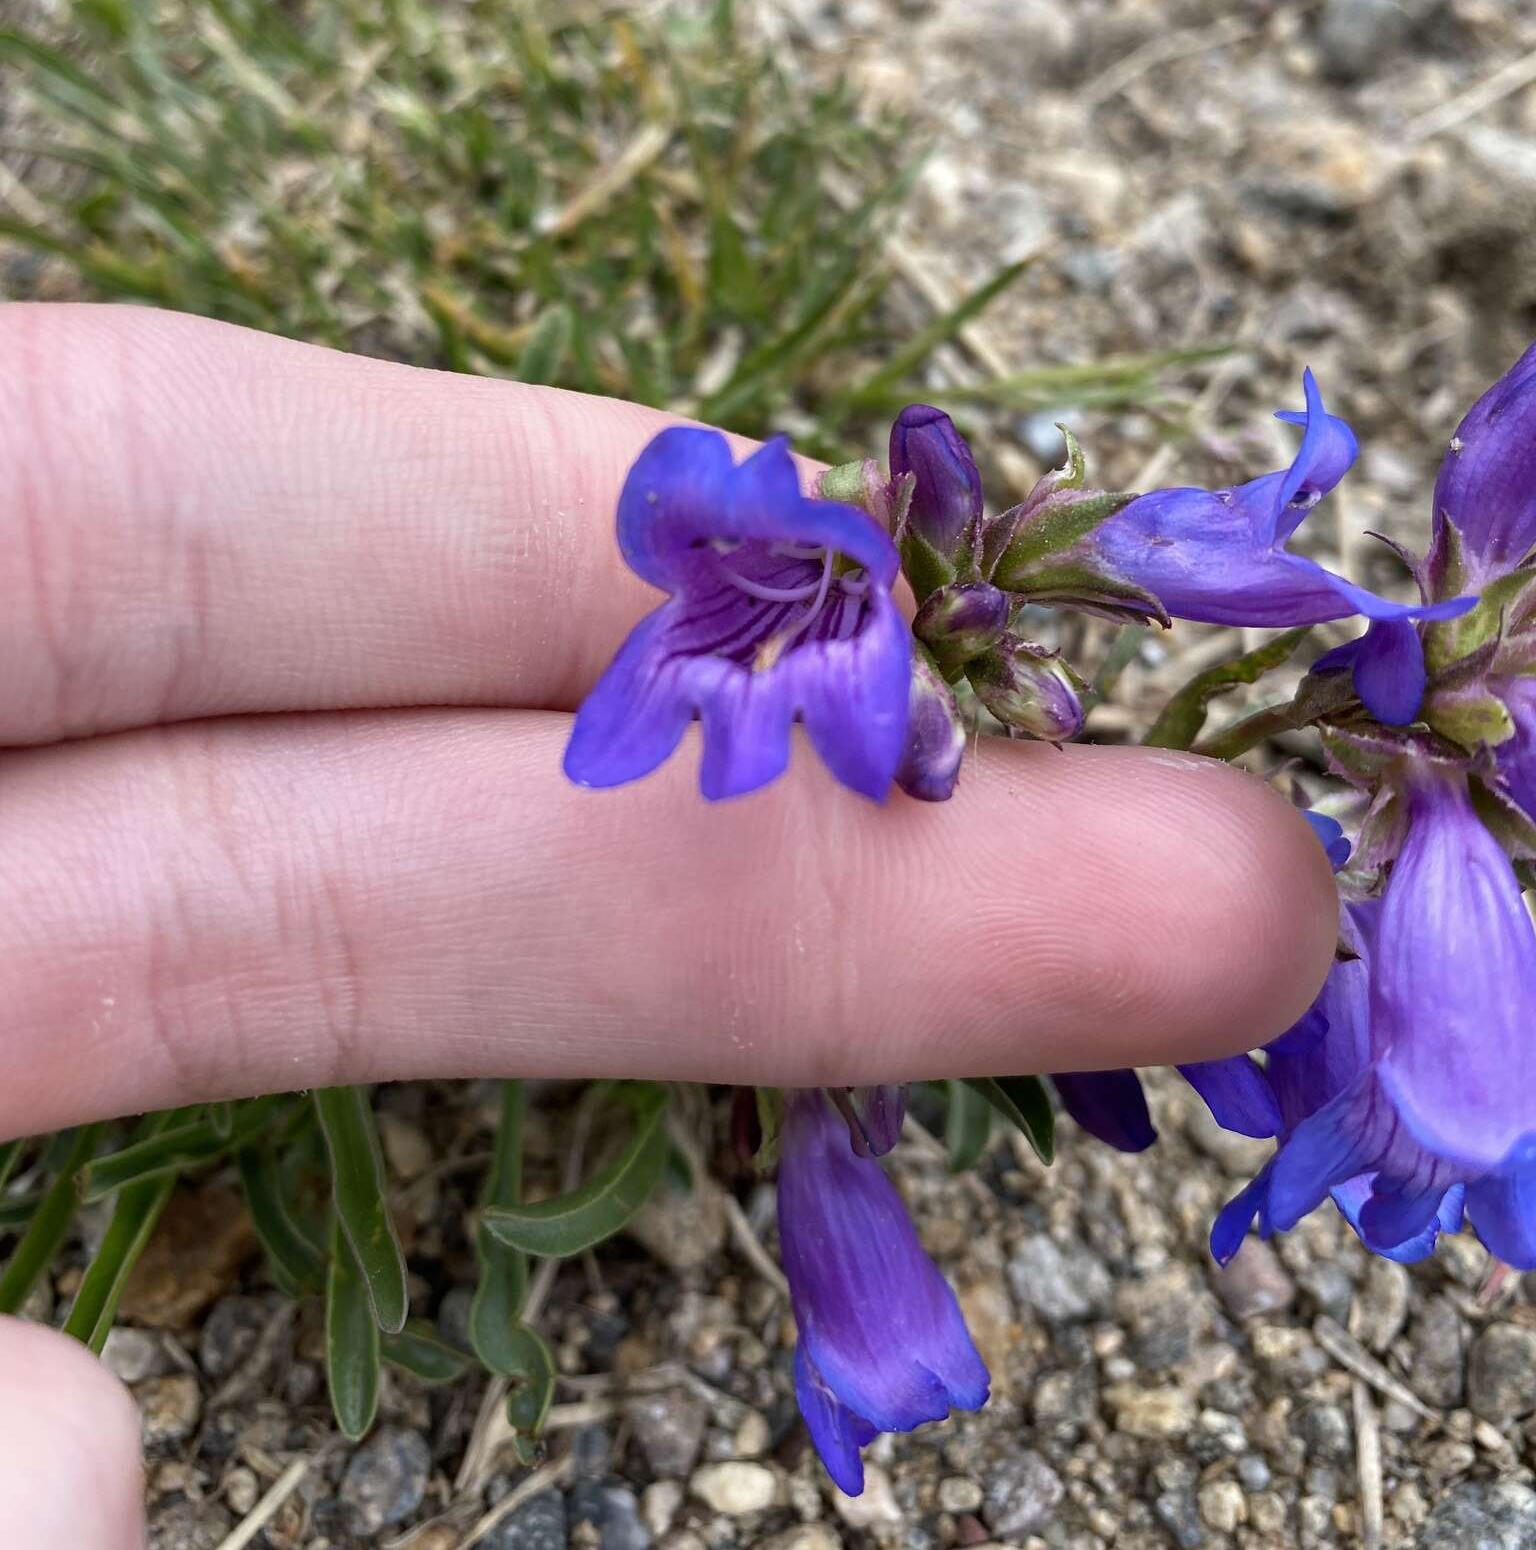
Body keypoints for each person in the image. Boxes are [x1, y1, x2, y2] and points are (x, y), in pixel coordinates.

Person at [0, 304, 1338, 1546]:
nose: (811, 593)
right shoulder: (822, 609)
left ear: (878, 586)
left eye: (844, 586)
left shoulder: (844, 614)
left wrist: (852, 616)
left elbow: (887, 715)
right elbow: (818, 712)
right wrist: (848, 612)